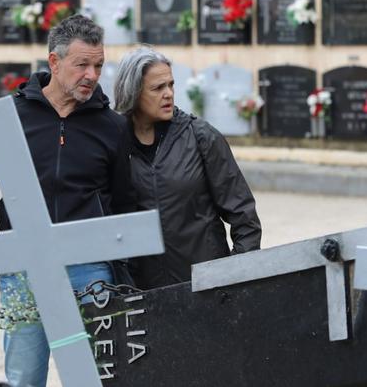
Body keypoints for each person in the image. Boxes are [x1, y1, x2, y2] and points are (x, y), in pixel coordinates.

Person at [0, 15, 133, 387]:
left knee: (94, 377)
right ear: (54, 63)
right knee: (24, 376)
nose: (91, 74)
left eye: (98, 65)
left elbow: (124, 201)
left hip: (90, 269)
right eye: (81, 64)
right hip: (23, 269)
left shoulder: (113, 127)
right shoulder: (7, 118)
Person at [112, 47, 262, 289]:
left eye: (171, 85)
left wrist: (234, 276)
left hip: (207, 287)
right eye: (158, 88)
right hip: (147, 292)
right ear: (133, 92)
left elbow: (244, 217)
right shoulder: (115, 144)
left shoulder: (201, 137)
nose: (169, 94)